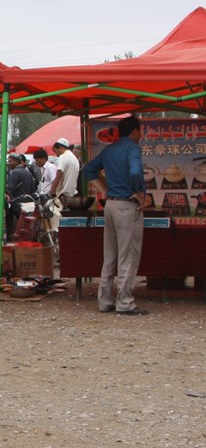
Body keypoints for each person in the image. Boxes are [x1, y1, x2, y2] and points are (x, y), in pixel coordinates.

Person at [82, 115, 148, 316]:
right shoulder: (132, 148)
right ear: (136, 131)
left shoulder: (110, 149)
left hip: (110, 205)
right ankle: (125, 302)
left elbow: (88, 170)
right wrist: (138, 192)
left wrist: (105, 188)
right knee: (128, 255)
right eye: (140, 131)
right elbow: (136, 171)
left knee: (109, 256)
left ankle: (104, 300)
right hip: (127, 206)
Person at [5, 152, 36, 239]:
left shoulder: (14, 172)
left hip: (18, 204)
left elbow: (10, 190)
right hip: (29, 203)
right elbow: (33, 189)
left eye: (10, 161)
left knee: (8, 215)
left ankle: (8, 236)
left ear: (16, 161)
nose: (9, 163)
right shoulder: (28, 173)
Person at [51, 137, 80, 203]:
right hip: (72, 194)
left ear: (61, 148)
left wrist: (50, 192)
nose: (57, 155)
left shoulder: (63, 156)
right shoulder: (74, 158)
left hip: (63, 196)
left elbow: (59, 176)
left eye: (56, 151)